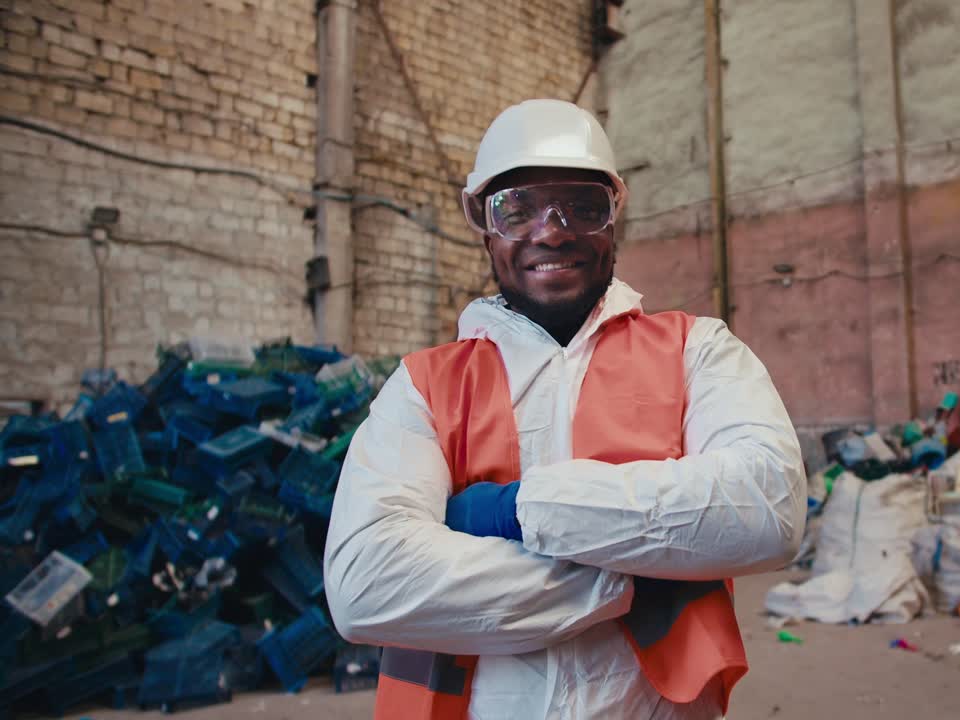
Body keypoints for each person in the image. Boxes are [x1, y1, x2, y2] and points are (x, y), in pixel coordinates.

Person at [324, 99, 806, 720]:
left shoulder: (697, 350)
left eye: (582, 206)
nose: (551, 231)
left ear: (614, 218)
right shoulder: (424, 386)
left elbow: (768, 509)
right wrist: (637, 571)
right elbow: (367, 586)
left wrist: (512, 512)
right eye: (516, 209)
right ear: (483, 223)